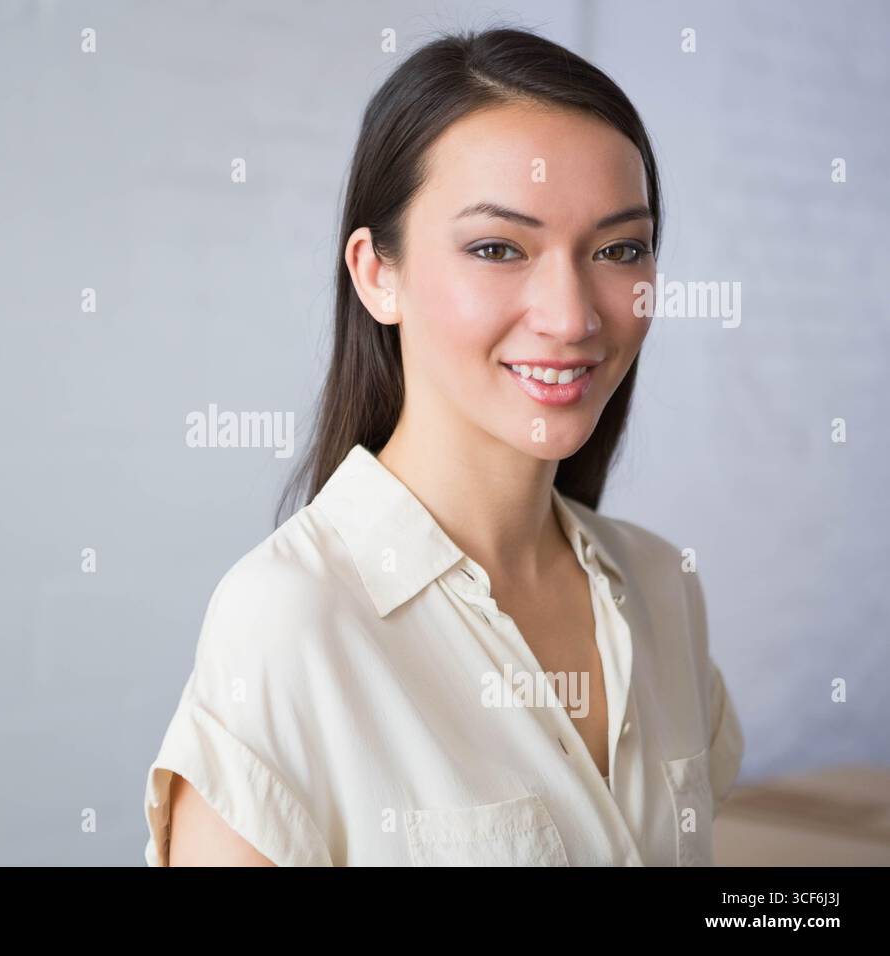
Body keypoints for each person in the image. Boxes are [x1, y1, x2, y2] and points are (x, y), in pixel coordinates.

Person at [143, 26, 744, 866]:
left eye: (619, 249)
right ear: (376, 274)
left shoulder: (662, 588)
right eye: (498, 248)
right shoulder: (288, 621)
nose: (571, 317)